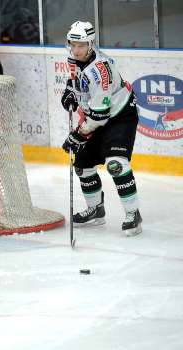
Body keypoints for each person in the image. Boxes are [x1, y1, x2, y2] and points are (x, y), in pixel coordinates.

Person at [60, 21, 142, 236]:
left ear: (91, 44)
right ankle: (96, 209)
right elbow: (76, 79)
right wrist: (70, 91)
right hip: (98, 115)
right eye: (73, 44)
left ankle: (133, 214)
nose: (76, 50)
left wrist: (78, 136)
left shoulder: (100, 71)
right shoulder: (76, 57)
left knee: (115, 164)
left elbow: (99, 117)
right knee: (82, 164)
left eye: (81, 45)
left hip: (120, 116)